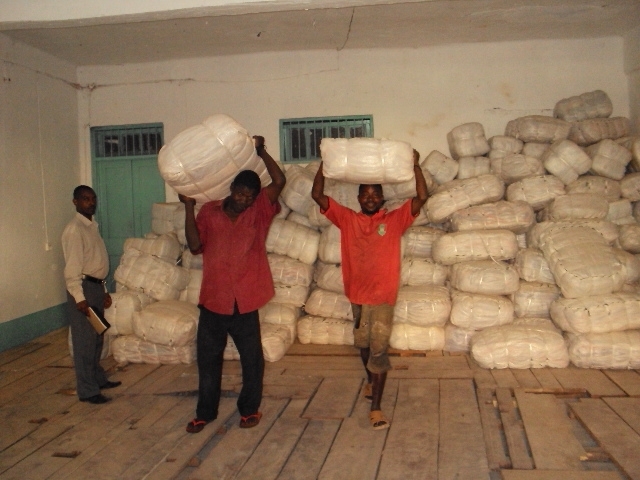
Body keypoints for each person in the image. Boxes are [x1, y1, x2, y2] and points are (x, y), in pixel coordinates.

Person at [311, 149, 428, 429]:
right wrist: (324, 164)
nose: (371, 198)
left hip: (383, 298)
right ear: (358, 198)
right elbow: (317, 195)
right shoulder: (348, 219)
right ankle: (370, 381)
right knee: (362, 345)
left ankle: (376, 407)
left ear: (383, 198)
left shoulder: (394, 220)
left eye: (376, 194)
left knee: (378, 351)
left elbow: (422, 197)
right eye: (366, 195)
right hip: (357, 295)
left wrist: (415, 165)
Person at [180, 135, 286, 434]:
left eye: (250, 196)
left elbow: (279, 180)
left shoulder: (259, 211)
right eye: (240, 194)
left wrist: (261, 151)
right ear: (232, 190)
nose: (244, 200)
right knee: (208, 361)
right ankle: (205, 413)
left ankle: (249, 409)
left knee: (252, 361)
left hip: (245, 302)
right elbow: (194, 246)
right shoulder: (209, 212)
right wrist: (188, 208)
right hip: (214, 300)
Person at [62, 185, 121, 405]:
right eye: (85, 199)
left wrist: (103, 291)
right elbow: (73, 270)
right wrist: (80, 299)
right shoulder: (74, 230)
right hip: (83, 290)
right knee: (84, 343)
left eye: (93, 198)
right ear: (75, 202)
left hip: (95, 288)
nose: (91, 202)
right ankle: (87, 391)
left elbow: (94, 263)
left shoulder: (91, 227)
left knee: (96, 338)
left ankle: (97, 379)